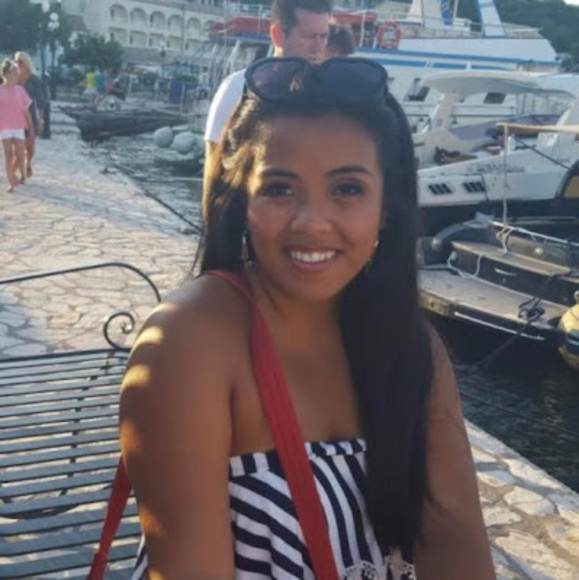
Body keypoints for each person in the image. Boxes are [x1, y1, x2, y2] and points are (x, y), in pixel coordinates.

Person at [121, 57, 496, 579]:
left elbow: (452, 534)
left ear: (386, 207)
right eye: (279, 188)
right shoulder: (190, 343)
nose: (312, 222)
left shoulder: (409, 345)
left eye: (347, 188)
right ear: (242, 200)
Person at [203, 0, 332, 192]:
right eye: (308, 36)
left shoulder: (331, 95)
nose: (318, 47)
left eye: (324, 37)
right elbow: (213, 170)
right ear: (278, 35)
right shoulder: (238, 87)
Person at [0, 60, 33, 192]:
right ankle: (11, 183)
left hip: (19, 125)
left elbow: (26, 110)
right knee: (8, 155)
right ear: (7, 74)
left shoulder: (20, 90)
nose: (17, 74)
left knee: (20, 155)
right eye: (14, 72)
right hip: (5, 126)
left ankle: (15, 174)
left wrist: (31, 127)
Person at [14, 52, 48, 176]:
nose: (19, 65)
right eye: (17, 62)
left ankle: (28, 163)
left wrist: (41, 119)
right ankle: (17, 171)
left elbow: (40, 100)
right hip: (15, 114)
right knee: (18, 146)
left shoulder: (34, 80)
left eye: (21, 62)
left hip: (30, 114)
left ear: (26, 64)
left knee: (30, 144)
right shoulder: (13, 78)